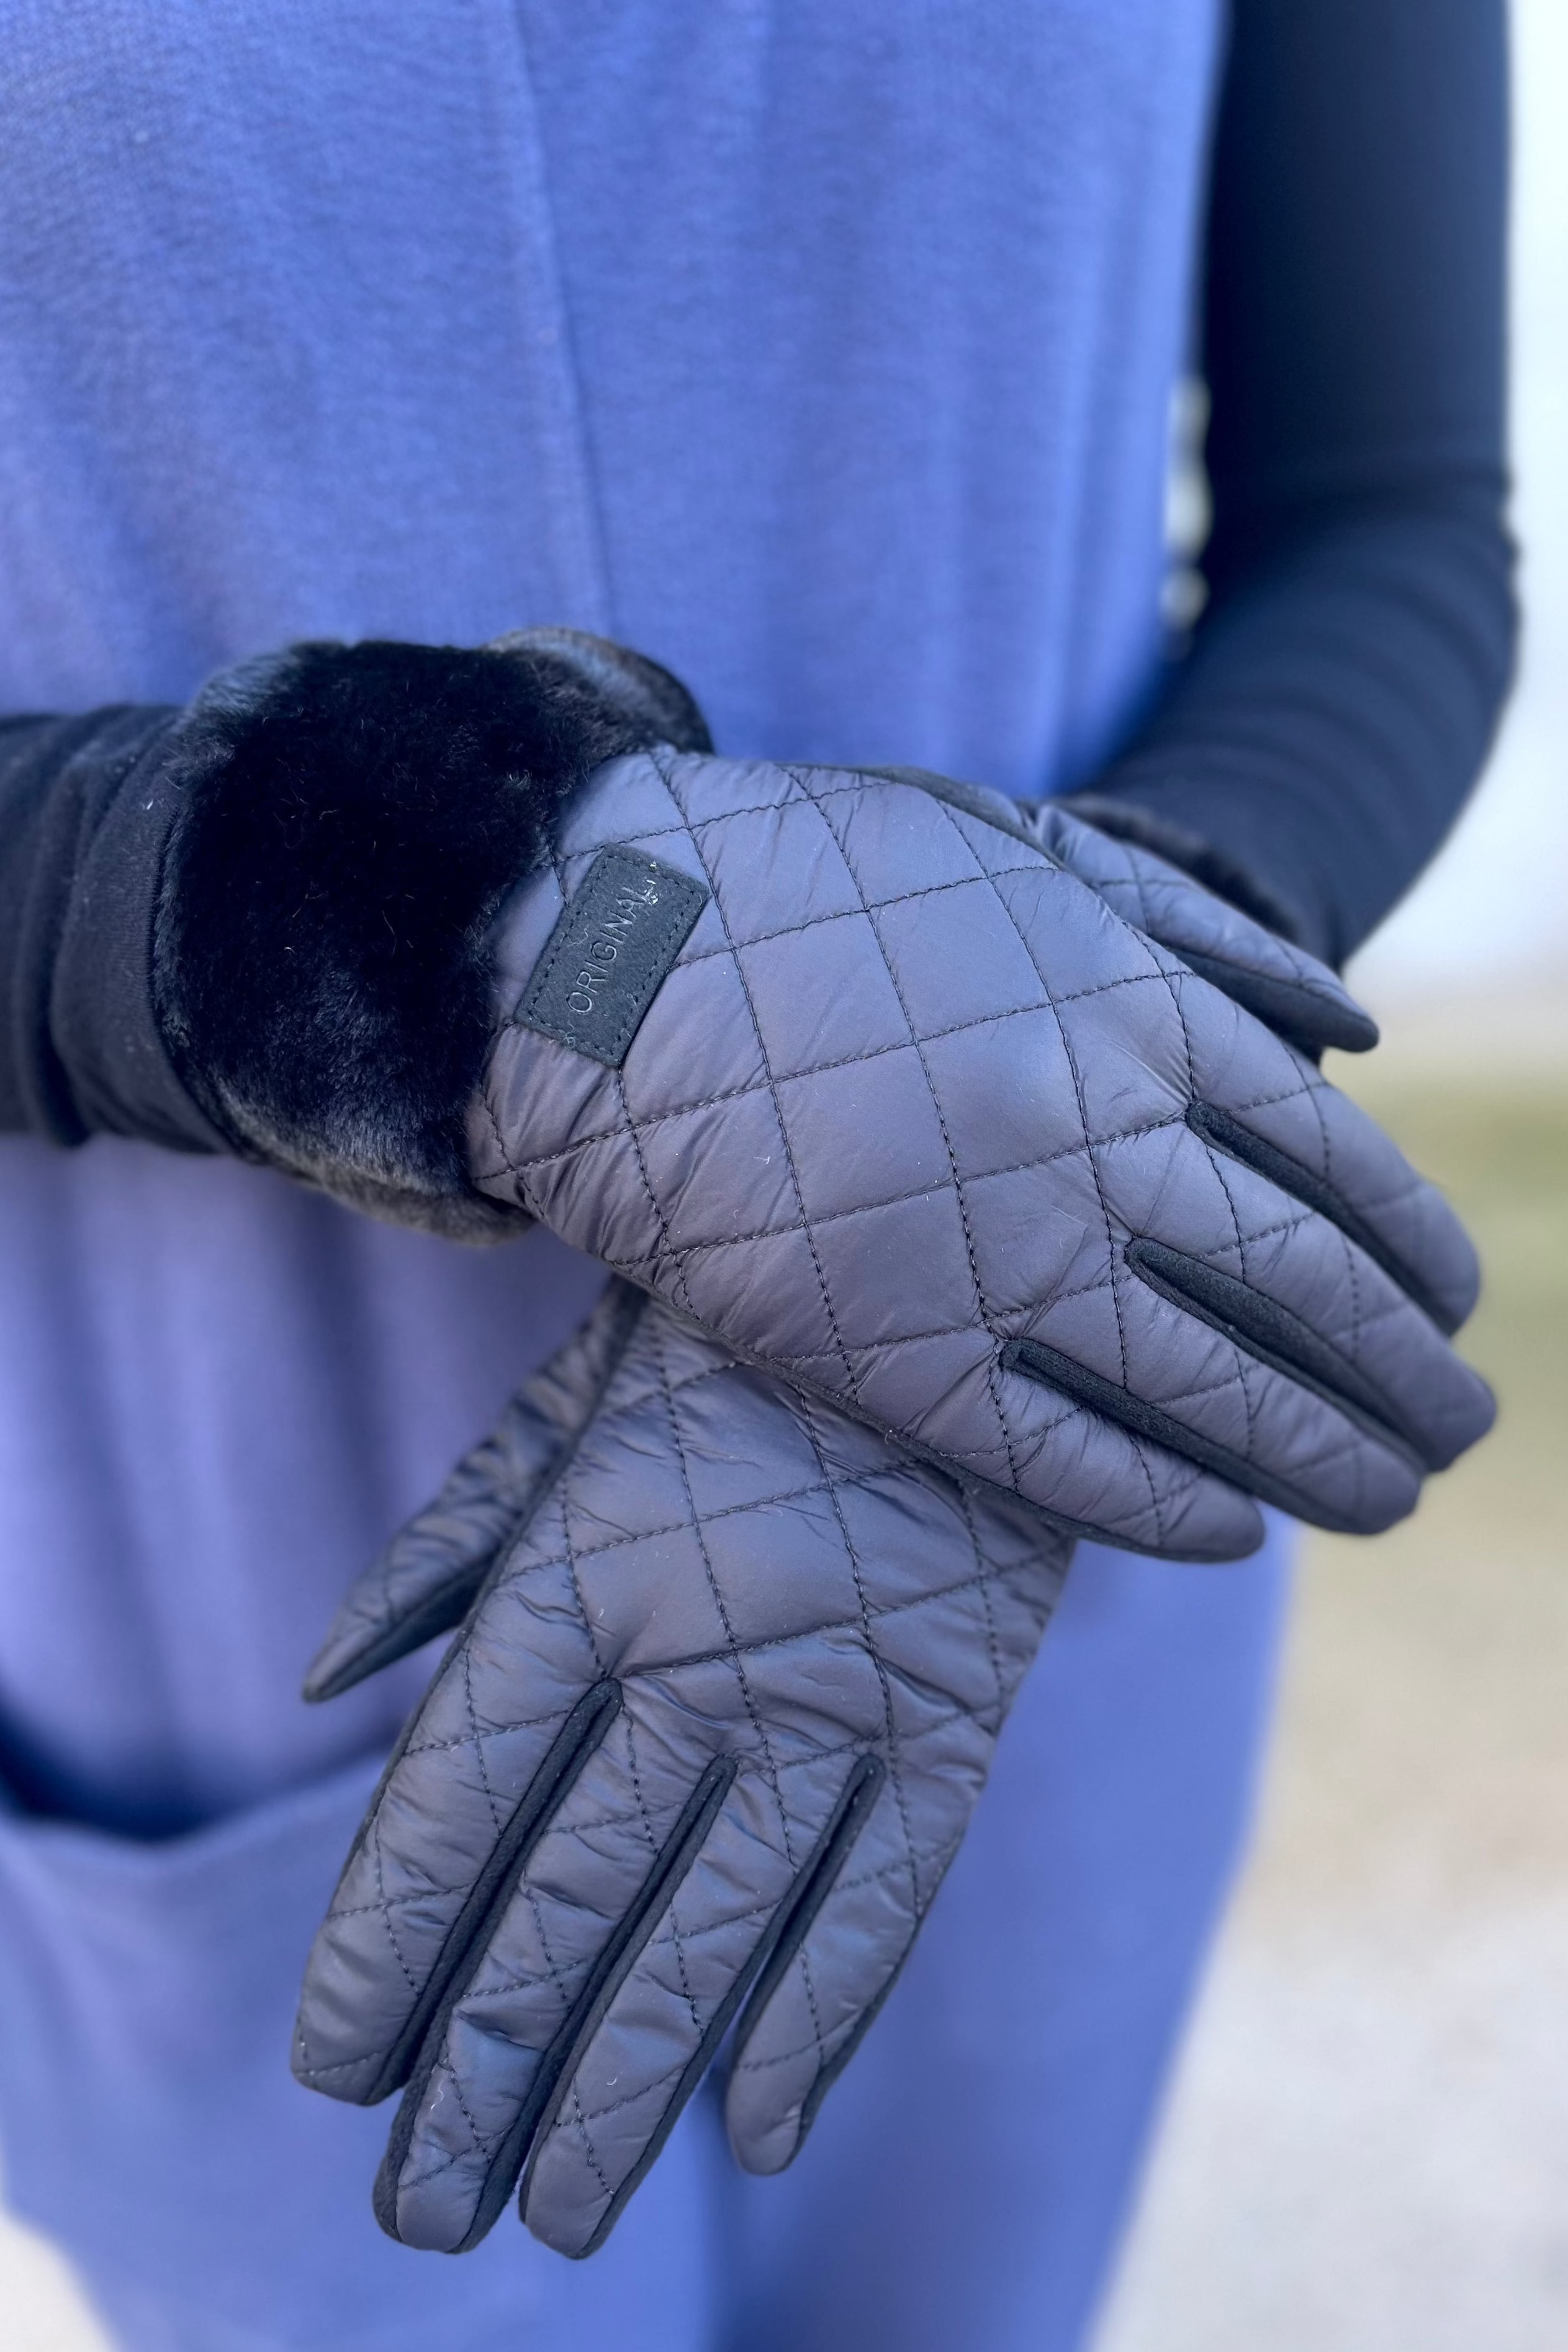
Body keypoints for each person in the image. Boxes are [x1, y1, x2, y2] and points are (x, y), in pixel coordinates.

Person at [0, 4, 1512, 2348]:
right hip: (228, 1617)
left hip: (1024, 1456)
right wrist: (489, 937)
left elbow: (1388, 519)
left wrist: (1013, 1092)